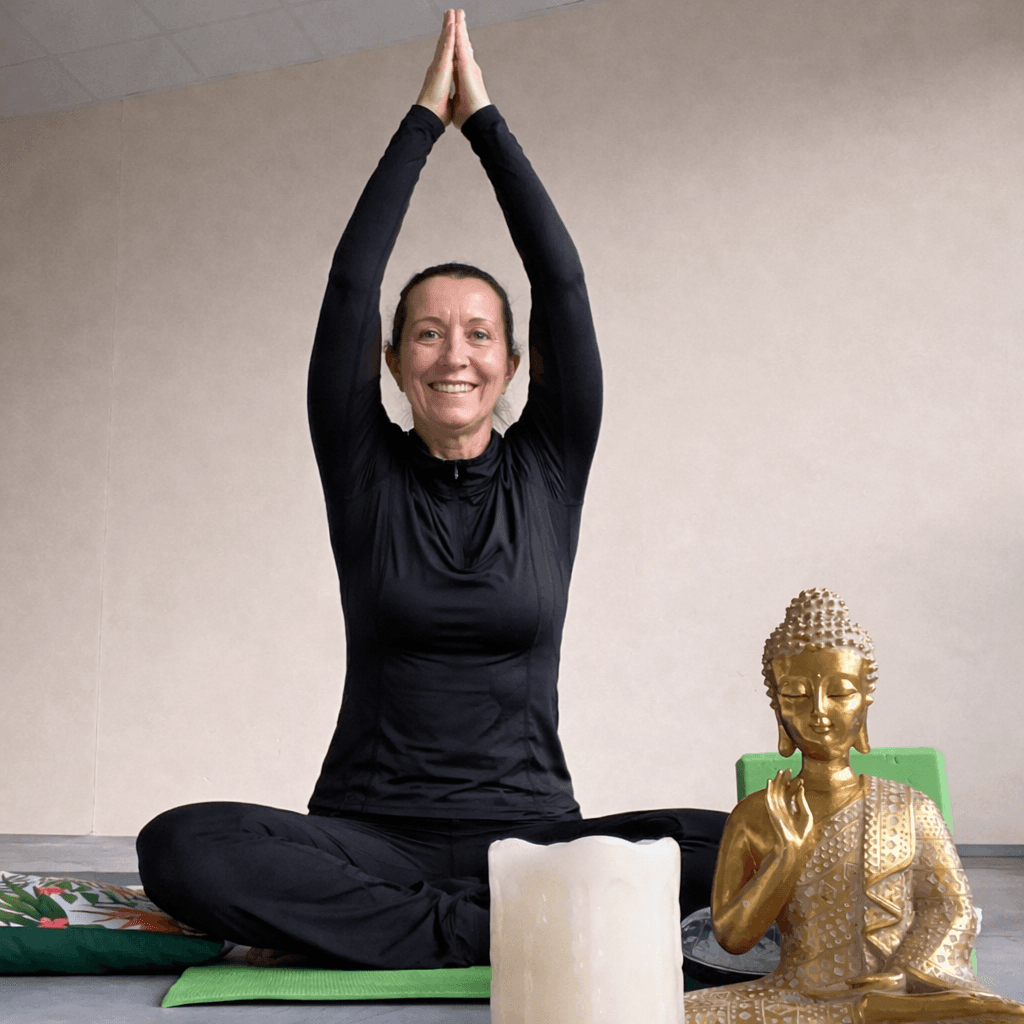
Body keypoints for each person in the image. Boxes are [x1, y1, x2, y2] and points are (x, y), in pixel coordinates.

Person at [137, 9, 727, 970]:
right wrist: (419, 123)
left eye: (479, 333)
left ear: (514, 360)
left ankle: (456, 931)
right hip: (369, 838)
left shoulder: (551, 464)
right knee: (181, 845)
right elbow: (347, 283)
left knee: (765, 840)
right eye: (427, 333)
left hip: (534, 839)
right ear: (394, 362)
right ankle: (527, 937)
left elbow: (564, 286)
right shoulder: (362, 468)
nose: (454, 354)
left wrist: (486, 124)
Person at [686, 589, 1024, 1024]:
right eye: (797, 696)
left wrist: (904, 974)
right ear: (778, 711)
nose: (819, 712)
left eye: (839, 693)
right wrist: (787, 858)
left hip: (895, 997)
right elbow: (732, 937)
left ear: (865, 701)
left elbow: (949, 908)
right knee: (665, 1013)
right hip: (794, 999)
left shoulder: (909, 807)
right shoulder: (756, 814)